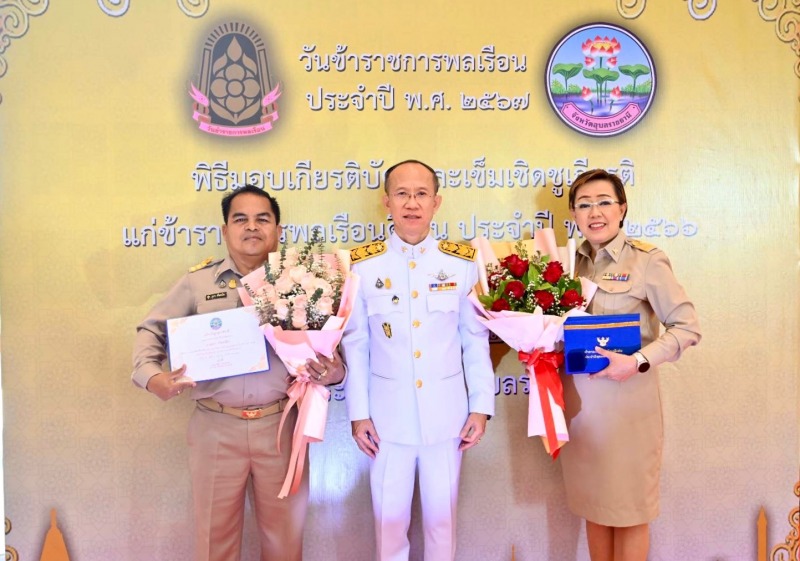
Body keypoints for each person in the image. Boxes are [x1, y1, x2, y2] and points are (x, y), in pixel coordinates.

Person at [132, 185, 345, 561]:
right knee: (215, 543)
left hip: (281, 428)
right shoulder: (198, 282)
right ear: (225, 229)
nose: (252, 227)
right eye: (240, 219)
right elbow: (151, 330)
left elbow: (333, 351)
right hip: (217, 428)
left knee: (285, 542)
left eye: (263, 219)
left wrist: (332, 372)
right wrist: (153, 377)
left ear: (278, 230)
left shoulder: (302, 282)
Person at [341, 159, 495, 561]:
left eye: (421, 194)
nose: (412, 203)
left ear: (436, 202)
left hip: (447, 420)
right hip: (385, 421)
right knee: (388, 526)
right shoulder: (361, 264)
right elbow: (356, 344)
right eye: (402, 194)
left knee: (442, 525)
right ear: (386, 202)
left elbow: (474, 340)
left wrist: (481, 407)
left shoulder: (461, 263)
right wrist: (359, 414)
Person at [559, 169, 701, 561]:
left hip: (628, 411)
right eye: (584, 204)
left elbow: (687, 327)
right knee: (595, 509)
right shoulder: (566, 266)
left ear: (622, 208)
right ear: (573, 213)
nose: (595, 212)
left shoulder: (647, 261)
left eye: (604, 201)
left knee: (630, 513)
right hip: (582, 414)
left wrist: (638, 360)